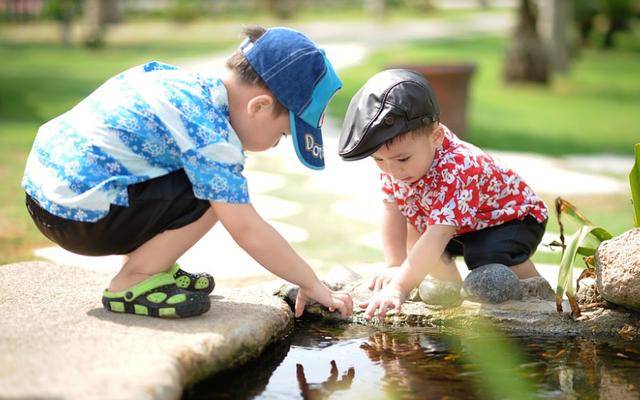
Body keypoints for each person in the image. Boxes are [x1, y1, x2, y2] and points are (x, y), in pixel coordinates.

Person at [22, 26, 353, 319]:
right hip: (78, 218)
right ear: (259, 107)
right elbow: (247, 229)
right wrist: (311, 283)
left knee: (201, 178)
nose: (275, 145)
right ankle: (135, 280)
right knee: (217, 195)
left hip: (46, 197)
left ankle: (154, 265)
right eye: (282, 135)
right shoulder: (211, 135)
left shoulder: (182, 84)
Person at [338, 69, 547, 320]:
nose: (392, 170)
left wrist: (398, 287)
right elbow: (392, 208)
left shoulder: (459, 166)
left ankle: (536, 292)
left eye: (402, 158)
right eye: (379, 160)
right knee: (416, 230)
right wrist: (395, 265)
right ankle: (450, 294)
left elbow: (440, 232)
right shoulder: (396, 165)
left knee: (485, 255)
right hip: (460, 225)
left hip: (511, 220)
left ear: (436, 136)